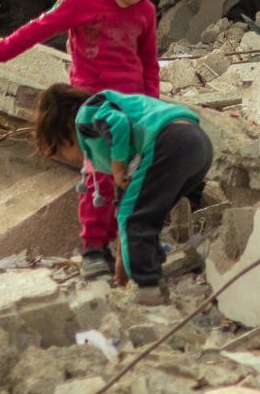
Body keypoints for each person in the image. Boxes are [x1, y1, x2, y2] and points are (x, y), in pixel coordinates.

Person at [0, 0, 165, 280]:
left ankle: (127, 245)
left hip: (132, 106)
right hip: (91, 106)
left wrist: (151, 106)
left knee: (132, 177)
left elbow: (149, 63)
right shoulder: (81, 1)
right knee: (98, 177)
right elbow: (38, 28)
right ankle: (94, 249)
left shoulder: (145, 12)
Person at [27, 84, 212, 305]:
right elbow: (124, 206)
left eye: (60, 150)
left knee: (138, 219)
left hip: (170, 141)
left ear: (64, 133)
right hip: (198, 146)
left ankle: (147, 289)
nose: (69, 157)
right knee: (142, 216)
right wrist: (121, 265)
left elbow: (119, 125)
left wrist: (116, 167)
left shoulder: (86, 116)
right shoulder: (113, 135)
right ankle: (150, 279)